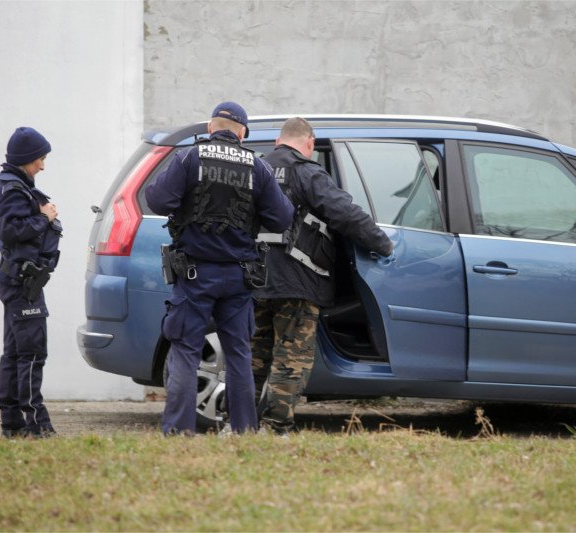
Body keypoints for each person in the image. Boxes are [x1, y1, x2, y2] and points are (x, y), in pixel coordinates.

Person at [145, 102, 294, 435]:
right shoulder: (258, 166)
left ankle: (179, 433)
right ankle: (243, 432)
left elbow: (157, 200)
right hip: (239, 276)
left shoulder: (188, 158)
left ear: (212, 128)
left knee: (185, 350)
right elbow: (282, 218)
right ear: (241, 133)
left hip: (195, 274)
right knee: (239, 353)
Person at [252, 117, 394, 435]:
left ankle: (242, 422)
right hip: (296, 280)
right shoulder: (308, 171)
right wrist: (382, 243)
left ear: (278, 140)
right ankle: (275, 427)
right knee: (292, 352)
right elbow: (344, 213)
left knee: (254, 352)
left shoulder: (255, 170)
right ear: (309, 143)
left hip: (253, 277)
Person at [0, 127, 62, 439]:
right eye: (40, 159)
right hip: (23, 282)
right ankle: (38, 425)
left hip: (19, 280)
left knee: (16, 353)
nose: (42, 166)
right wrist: (43, 218)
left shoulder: (15, 187)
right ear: (26, 159)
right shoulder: (14, 191)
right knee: (32, 353)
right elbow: (9, 231)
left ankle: (13, 424)